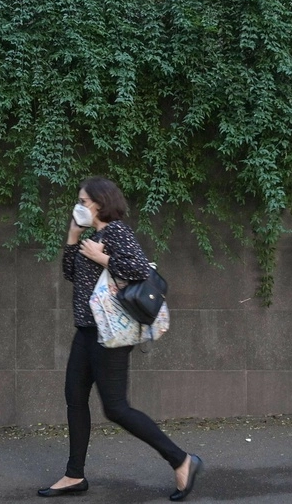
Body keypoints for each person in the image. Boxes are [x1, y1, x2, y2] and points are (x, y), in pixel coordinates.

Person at [37, 177, 203, 501]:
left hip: (110, 335)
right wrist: (73, 237)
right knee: (74, 397)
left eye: (83, 201)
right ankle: (74, 475)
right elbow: (70, 273)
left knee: (116, 408)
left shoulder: (115, 232)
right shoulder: (93, 235)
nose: (79, 206)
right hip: (87, 331)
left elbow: (140, 269)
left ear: (99, 203)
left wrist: (103, 258)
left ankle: (181, 460)